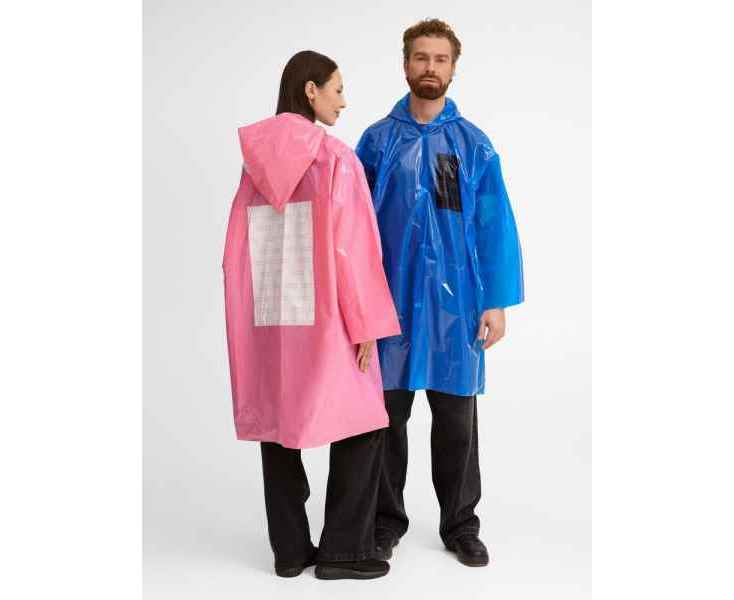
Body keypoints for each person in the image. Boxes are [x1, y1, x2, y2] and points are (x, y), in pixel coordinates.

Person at [222, 50, 400, 580]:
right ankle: (344, 550)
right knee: (365, 422)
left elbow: (237, 249)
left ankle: (290, 551)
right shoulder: (335, 158)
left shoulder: (254, 165)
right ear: (310, 90)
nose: (344, 102)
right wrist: (367, 325)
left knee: (279, 426)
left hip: (268, 315)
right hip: (327, 317)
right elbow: (353, 248)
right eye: (337, 89)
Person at [355, 20, 524, 567]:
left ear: (453, 67)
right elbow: (353, 227)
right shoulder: (377, 141)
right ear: (405, 64)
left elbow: (494, 225)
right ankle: (385, 522)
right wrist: (356, 302)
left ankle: (461, 525)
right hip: (390, 303)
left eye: (441, 59)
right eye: (421, 57)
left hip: (457, 307)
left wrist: (495, 301)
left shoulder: (472, 145)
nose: (430, 67)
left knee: (457, 423)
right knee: (386, 419)